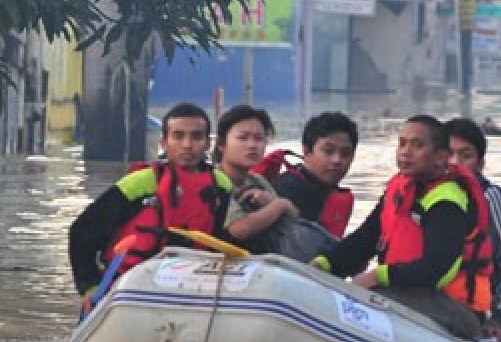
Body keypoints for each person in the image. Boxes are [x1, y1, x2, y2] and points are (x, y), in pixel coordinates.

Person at [312, 115, 492, 341]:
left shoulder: (447, 202)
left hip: (456, 309)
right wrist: (323, 264)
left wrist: (378, 275)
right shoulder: (399, 189)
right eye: (402, 143)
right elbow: (364, 239)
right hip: (407, 291)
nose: (405, 152)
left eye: (417, 145)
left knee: (371, 295)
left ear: (440, 158)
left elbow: (435, 268)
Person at [67, 102, 232, 310]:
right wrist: (89, 287)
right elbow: (82, 232)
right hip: (130, 288)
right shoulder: (141, 182)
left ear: (208, 144)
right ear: (164, 142)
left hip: (192, 288)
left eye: (196, 137)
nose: (187, 145)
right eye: (178, 136)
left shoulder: (221, 186)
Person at [445, 118, 501, 339]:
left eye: (466, 155)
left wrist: (499, 317)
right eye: (449, 154)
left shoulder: (491, 199)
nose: (456, 163)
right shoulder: (430, 196)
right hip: (436, 301)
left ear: (480, 164)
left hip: (473, 309)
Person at [250, 111, 358, 238]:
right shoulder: (289, 188)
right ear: (307, 151)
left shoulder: (325, 190)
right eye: (328, 151)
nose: (337, 160)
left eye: (345, 153)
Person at [212, 105, 302, 254]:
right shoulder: (214, 180)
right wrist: (278, 205)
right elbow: (239, 230)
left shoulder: (257, 181)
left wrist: (276, 203)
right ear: (221, 144)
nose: (253, 145)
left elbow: (294, 216)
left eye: (259, 138)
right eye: (243, 138)